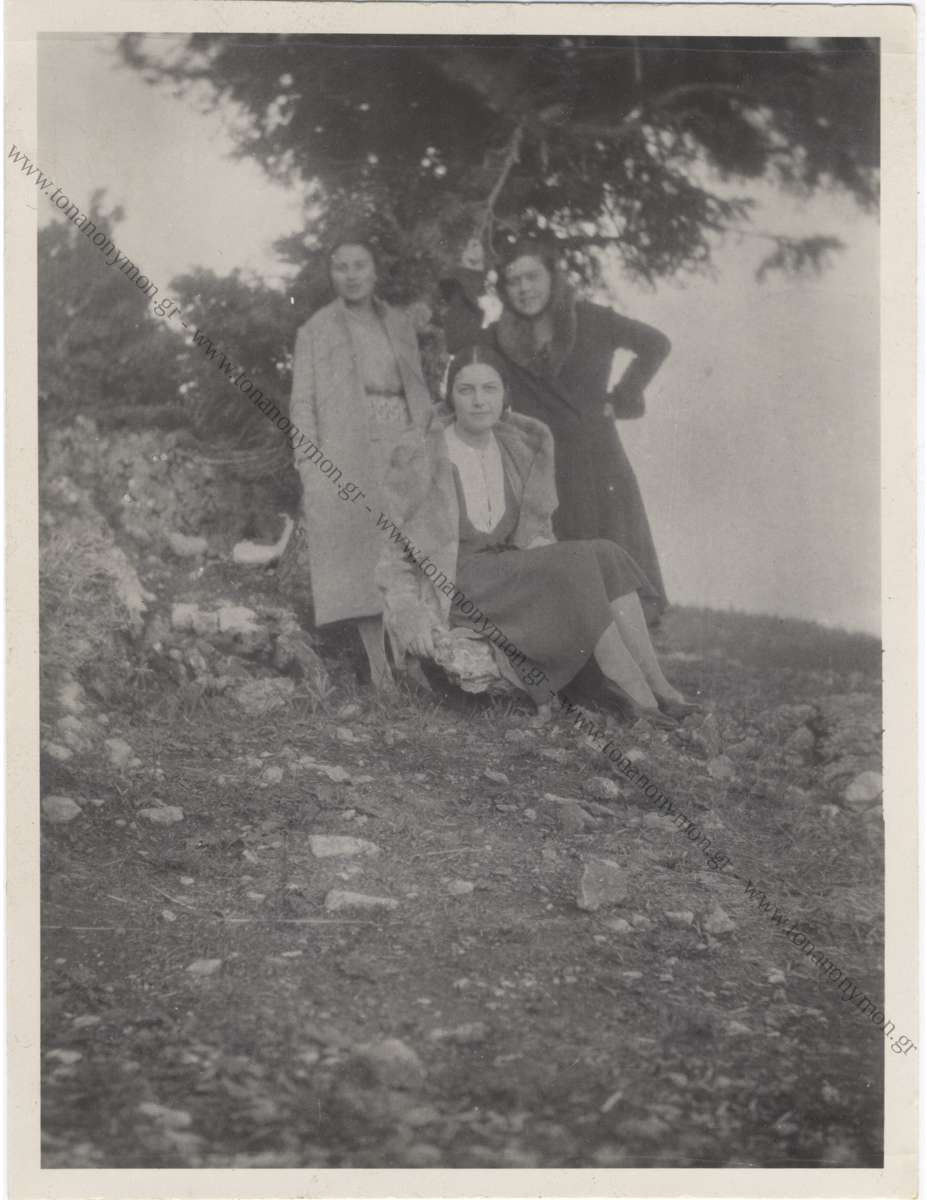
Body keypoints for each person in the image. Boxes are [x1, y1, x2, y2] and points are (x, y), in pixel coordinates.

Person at [376, 344, 696, 724]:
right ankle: (633, 689)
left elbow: (537, 530)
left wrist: (553, 563)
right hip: (460, 582)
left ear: (505, 394)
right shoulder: (422, 453)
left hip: (510, 573)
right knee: (577, 561)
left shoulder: (519, 446)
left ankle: (660, 686)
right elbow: (392, 548)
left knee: (606, 553)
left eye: (489, 389)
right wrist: (409, 615)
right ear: (451, 396)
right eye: (466, 390)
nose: (479, 401)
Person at [443, 235, 671, 624]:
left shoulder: (592, 319)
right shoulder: (500, 336)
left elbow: (655, 343)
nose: (524, 289)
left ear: (552, 276)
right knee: (565, 583)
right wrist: (469, 274)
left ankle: (636, 640)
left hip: (598, 459)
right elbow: (460, 342)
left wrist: (622, 398)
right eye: (513, 281)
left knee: (620, 572)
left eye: (532, 277)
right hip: (543, 465)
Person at [289, 237, 433, 686]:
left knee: (407, 545)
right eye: (342, 267)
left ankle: (414, 658)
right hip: (349, 448)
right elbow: (302, 403)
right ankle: (379, 669)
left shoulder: (398, 324)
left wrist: (423, 440)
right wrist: (309, 464)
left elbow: (417, 388)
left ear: (374, 271)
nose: (351, 275)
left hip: (403, 444)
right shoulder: (315, 330)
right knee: (362, 553)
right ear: (331, 275)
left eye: (360, 265)